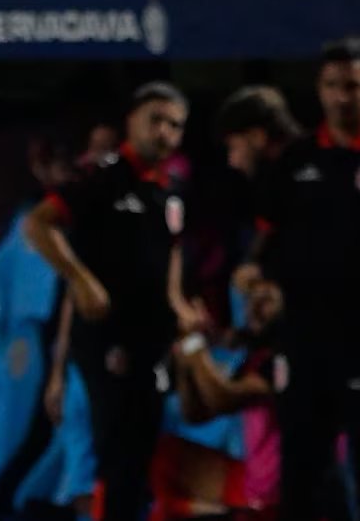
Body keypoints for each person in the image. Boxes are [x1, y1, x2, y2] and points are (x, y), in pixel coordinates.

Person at [24, 81, 198, 521]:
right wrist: (82, 281)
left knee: (141, 456)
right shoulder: (101, 177)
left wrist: (178, 305)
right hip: (107, 339)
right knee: (114, 456)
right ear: (132, 121)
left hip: (153, 341)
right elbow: (38, 225)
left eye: (174, 125)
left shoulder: (171, 191)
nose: (164, 132)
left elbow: (170, 253)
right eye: (155, 120)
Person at [238, 37, 360, 521]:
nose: (342, 97)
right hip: (303, 337)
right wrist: (253, 278)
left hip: (359, 336)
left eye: (352, 85)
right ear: (319, 89)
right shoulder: (296, 161)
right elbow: (262, 245)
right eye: (332, 86)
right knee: (302, 467)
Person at [174, 280, 284, 518]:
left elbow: (221, 397)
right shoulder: (249, 359)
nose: (258, 301)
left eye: (268, 295)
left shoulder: (280, 360)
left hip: (293, 495)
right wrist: (186, 357)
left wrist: (194, 344)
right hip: (258, 495)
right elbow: (195, 412)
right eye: (253, 295)